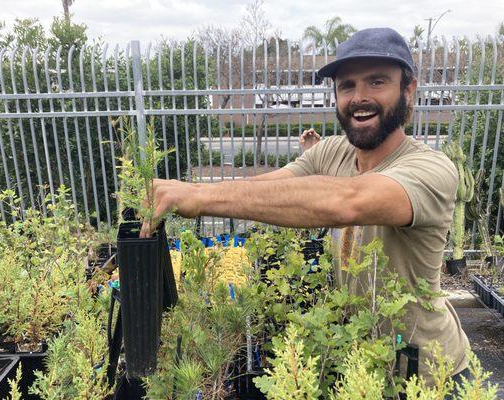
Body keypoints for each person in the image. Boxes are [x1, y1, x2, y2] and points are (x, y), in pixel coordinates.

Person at [141, 27, 469, 386]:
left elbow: (348, 201)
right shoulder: (332, 152)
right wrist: (189, 191)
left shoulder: (431, 169)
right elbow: (273, 186)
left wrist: (201, 199)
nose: (359, 97)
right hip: (363, 365)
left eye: (377, 82)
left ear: (408, 90)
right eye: (347, 86)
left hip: (430, 373)